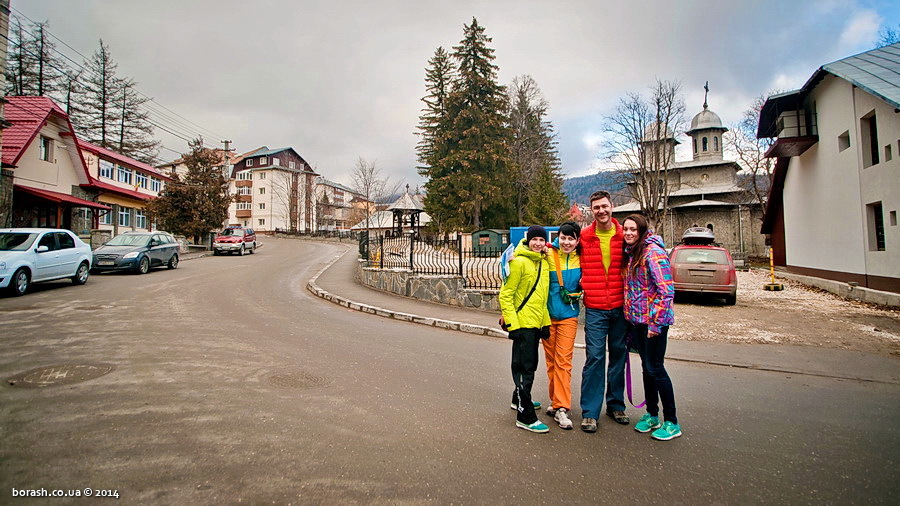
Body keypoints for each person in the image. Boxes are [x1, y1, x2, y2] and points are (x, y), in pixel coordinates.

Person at [621, 214, 680, 441]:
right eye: (626, 229)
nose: (628, 233)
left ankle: (672, 421)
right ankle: (652, 414)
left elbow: (666, 291)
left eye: (633, 229)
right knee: (647, 368)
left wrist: (655, 323)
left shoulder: (653, 253)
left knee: (656, 368)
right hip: (637, 322)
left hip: (654, 324)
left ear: (642, 230)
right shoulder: (633, 252)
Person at [579, 190, 629, 433]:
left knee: (619, 356)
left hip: (620, 307)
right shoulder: (585, 237)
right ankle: (590, 411)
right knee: (595, 358)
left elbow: (646, 244)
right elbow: (561, 247)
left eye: (604, 206)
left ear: (612, 206)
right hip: (596, 308)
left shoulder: (623, 236)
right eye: (596, 207)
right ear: (592, 210)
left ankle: (616, 405)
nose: (601, 211)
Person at [499, 225, 552, 433]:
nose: (538, 243)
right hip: (522, 325)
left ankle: (518, 398)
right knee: (525, 368)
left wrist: (545, 323)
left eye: (541, 240)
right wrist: (513, 325)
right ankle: (525, 415)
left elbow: (541, 297)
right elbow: (506, 294)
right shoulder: (519, 262)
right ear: (528, 240)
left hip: (536, 323)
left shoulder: (543, 263)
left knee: (529, 365)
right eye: (534, 240)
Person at [543, 222, 582, 430]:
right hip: (548, 316)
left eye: (571, 238)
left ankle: (561, 407)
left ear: (577, 241)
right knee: (551, 362)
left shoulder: (581, 257)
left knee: (563, 361)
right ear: (558, 237)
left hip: (569, 315)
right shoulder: (548, 254)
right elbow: (528, 247)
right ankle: (555, 401)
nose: (567, 242)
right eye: (564, 238)